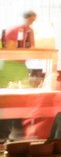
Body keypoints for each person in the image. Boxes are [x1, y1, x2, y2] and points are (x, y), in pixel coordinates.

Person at [1, 11, 37, 140]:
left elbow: (31, 49)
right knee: (6, 101)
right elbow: (10, 49)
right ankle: (5, 135)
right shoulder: (14, 30)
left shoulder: (30, 31)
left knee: (20, 100)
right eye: (31, 18)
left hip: (20, 67)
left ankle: (17, 133)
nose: (32, 21)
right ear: (26, 17)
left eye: (34, 19)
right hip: (9, 66)